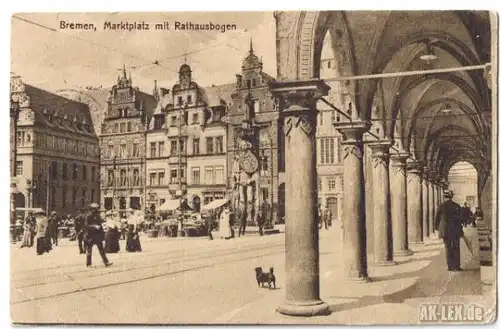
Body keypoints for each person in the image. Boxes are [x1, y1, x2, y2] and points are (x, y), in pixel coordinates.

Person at [435, 190, 463, 271]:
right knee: (456, 248)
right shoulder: (457, 206)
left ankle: (450, 266)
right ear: (452, 196)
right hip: (455, 229)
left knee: (448, 248)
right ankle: (457, 266)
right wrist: (460, 230)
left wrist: (438, 228)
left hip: (445, 231)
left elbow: (437, 219)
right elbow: (460, 220)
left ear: (444, 196)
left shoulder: (441, 206)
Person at [84, 203, 112, 267]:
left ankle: (106, 262)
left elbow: (100, 224)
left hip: (97, 236)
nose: (96, 210)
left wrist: (102, 233)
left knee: (101, 249)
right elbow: (86, 226)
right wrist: (94, 226)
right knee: (89, 250)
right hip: (90, 235)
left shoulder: (97, 215)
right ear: (92, 209)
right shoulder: (88, 216)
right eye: (95, 209)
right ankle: (88, 264)